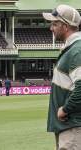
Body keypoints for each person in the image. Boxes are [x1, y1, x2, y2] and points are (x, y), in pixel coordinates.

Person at [43, 4, 81, 149]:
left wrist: (65, 109)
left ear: (65, 26)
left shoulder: (77, 50)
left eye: (55, 24)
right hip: (68, 127)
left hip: (73, 127)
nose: (51, 28)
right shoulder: (72, 48)